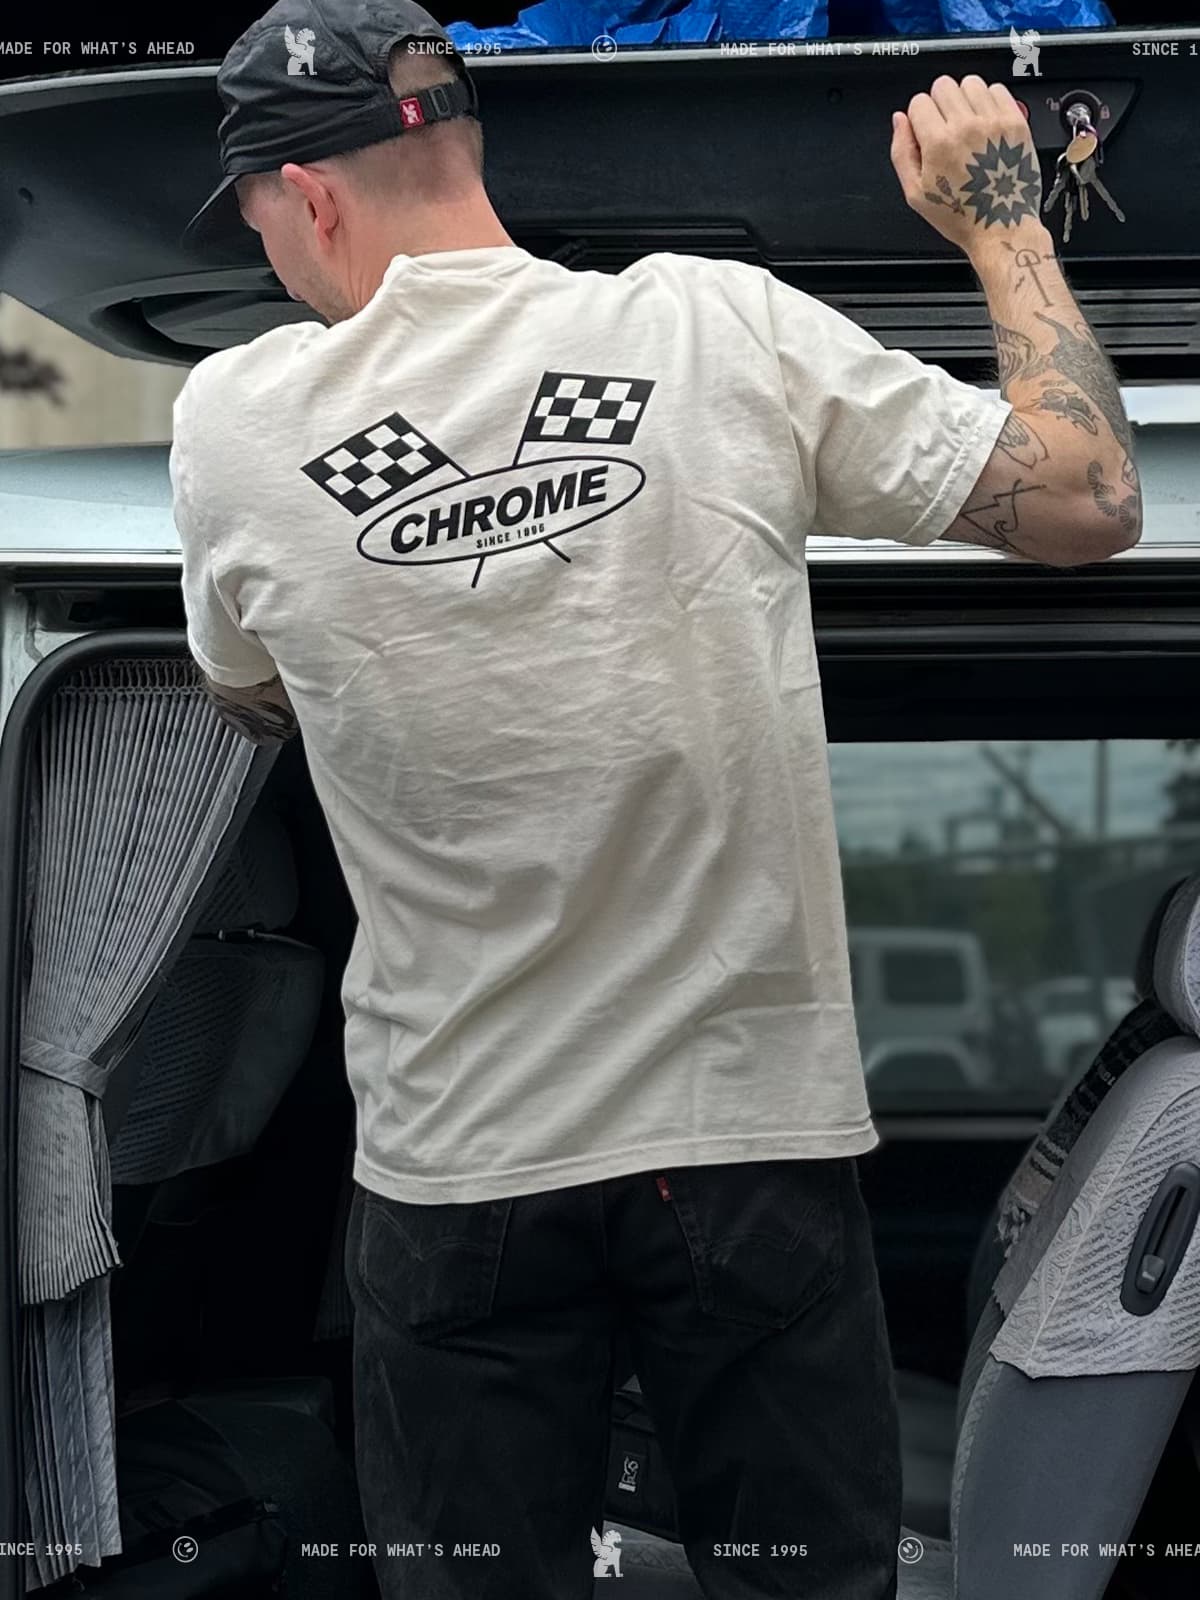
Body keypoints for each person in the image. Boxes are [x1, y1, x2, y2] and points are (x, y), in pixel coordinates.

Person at [171, 5, 1141, 1596]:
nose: (272, 256)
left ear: (312, 196)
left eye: (261, 221)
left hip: (458, 1168)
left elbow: (242, 690)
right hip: (746, 1146)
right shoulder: (715, 332)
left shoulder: (236, 426)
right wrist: (1006, 215)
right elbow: (1095, 499)